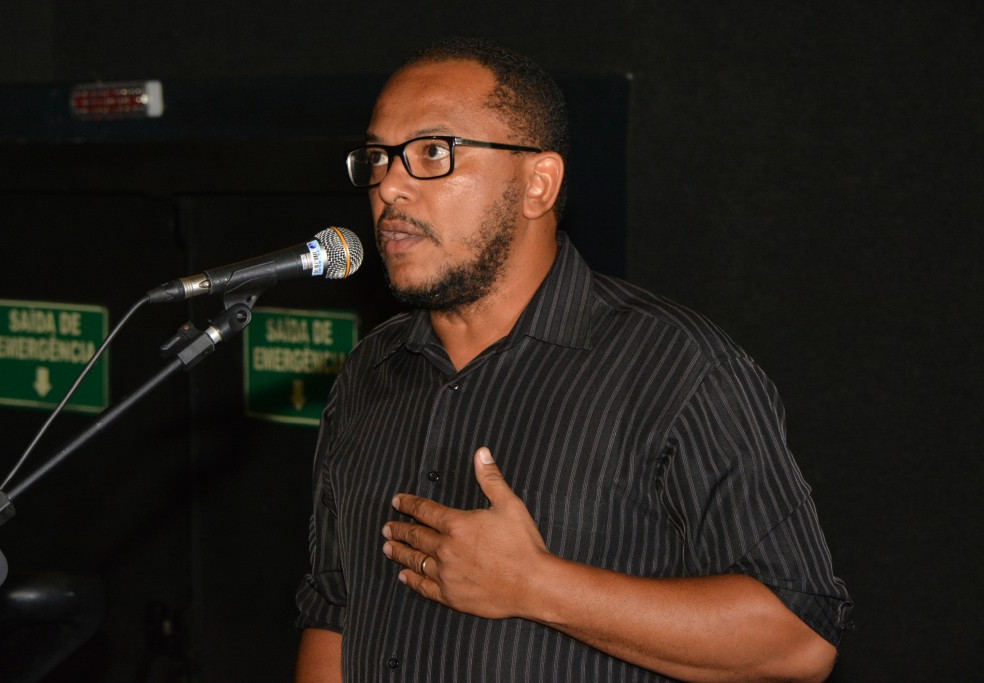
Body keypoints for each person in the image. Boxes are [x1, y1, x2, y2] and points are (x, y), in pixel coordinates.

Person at [295, 37, 852, 682]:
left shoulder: (676, 366)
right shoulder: (370, 370)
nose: (390, 186)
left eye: (432, 152)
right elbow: (333, 607)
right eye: (377, 157)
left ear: (538, 184)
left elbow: (799, 637)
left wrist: (537, 585)